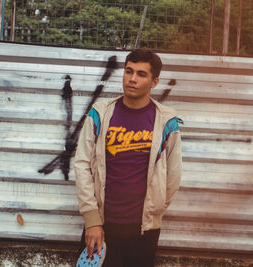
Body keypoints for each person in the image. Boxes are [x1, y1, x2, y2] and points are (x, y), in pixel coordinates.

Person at [74, 48, 183, 267]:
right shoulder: (100, 114)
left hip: (144, 231)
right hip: (102, 227)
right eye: (128, 71)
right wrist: (92, 220)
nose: (132, 79)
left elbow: (173, 174)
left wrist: (156, 209)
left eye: (141, 74)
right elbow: (82, 164)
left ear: (154, 82)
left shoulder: (166, 122)